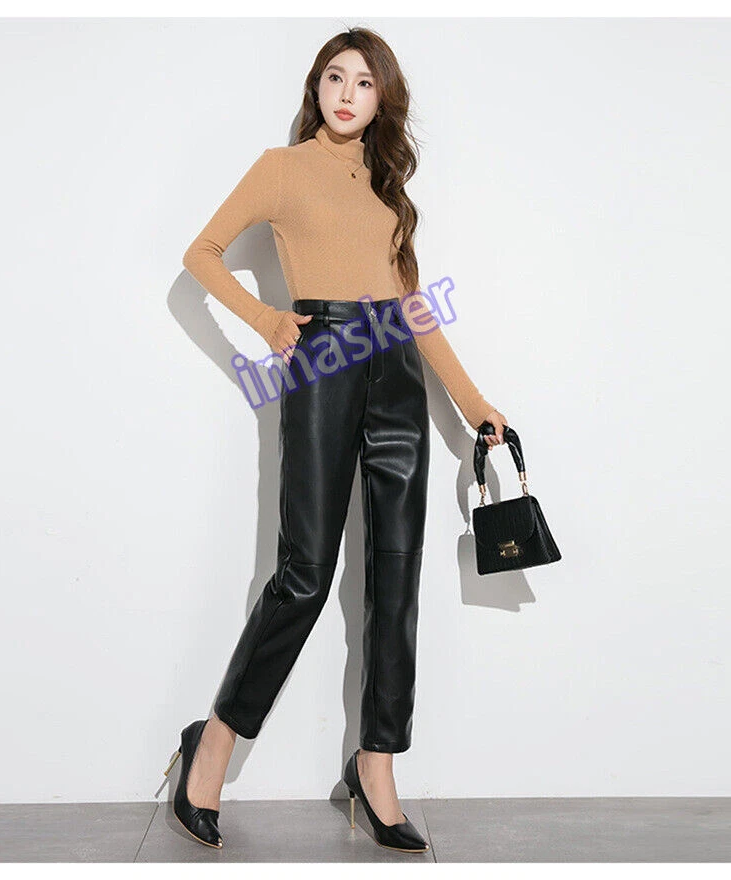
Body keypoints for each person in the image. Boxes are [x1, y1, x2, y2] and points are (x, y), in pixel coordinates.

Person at [165, 26, 508, 854]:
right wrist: (268, 321)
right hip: (321, 360)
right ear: (315, 88)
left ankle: (376, 764)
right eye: (334, 77)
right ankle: (212, 745)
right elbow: (200, 255)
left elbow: (413, 308)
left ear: (382, 98)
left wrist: (475, 405)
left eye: (363, 81)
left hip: (396, 372)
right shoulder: (282, 169)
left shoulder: (388, 189)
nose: (347, 93)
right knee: (305, 574)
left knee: (396, 574)